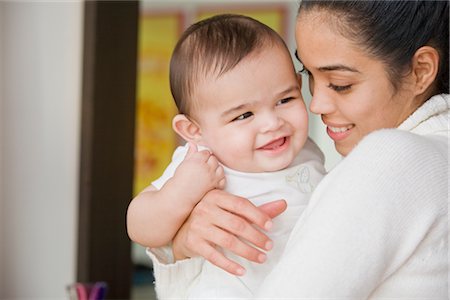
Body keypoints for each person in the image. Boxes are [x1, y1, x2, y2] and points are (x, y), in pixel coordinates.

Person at [146, 1, 449, 298]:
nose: (316, 104)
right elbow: (142, 216)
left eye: (341, 84)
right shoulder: (201, 162)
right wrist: (177, 230)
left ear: (421, 70)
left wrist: (179, 249)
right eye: (310, 75)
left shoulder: (391, 158)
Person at [126, 14, 326, 298]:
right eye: (244, 115)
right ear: (194, 130)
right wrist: (179, 193)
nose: (272, 123)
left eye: (285, 100)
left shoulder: (306, 150)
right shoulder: (201, 163)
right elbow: (138, 223)